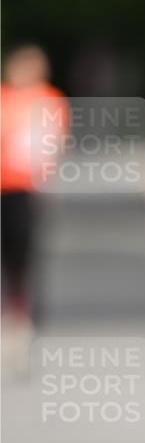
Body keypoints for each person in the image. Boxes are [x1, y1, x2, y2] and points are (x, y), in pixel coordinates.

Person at [1, 45, 67, 375]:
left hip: (24, 188)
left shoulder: (47, 100)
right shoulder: (3, 98)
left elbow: (49, 144)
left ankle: (22, 325)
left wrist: (45, 180)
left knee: (21, 259)